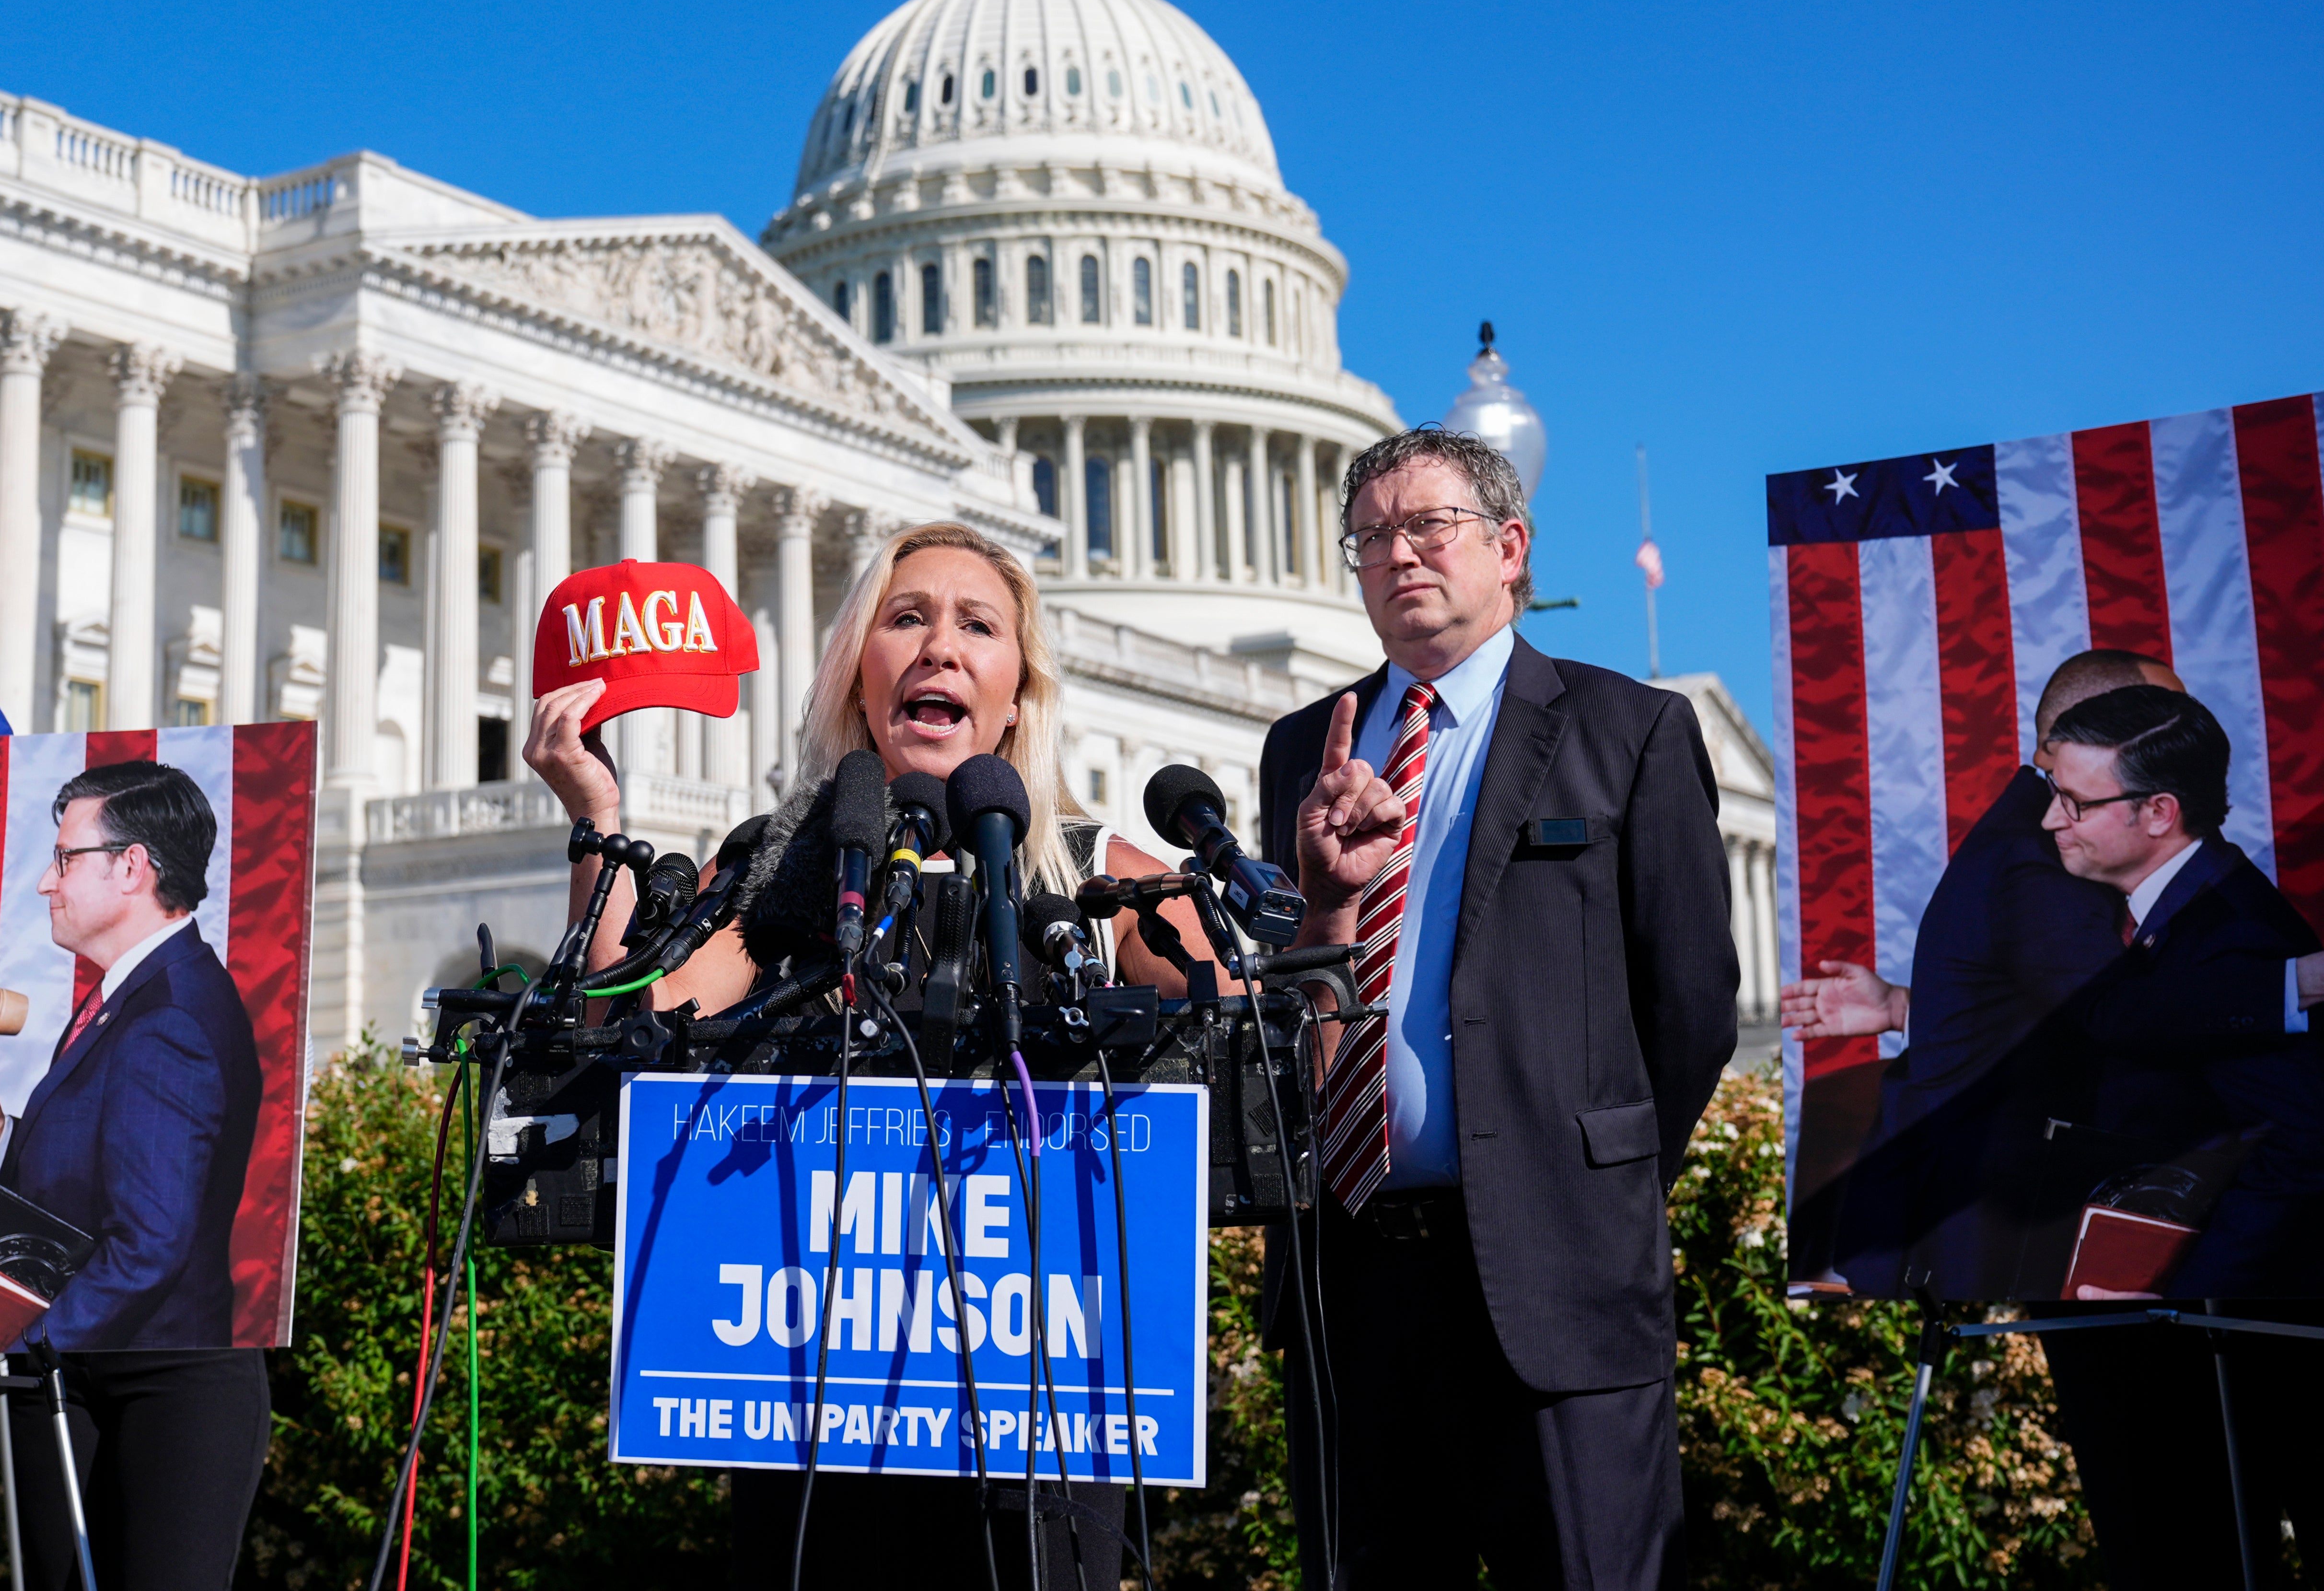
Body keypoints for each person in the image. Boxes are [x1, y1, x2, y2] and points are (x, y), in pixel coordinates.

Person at [523, 518, 1213, 1591]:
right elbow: (627, 1023)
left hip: (1039, 1416)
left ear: (1015, 693)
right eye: (907, 618)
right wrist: (599, 819)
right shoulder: (774, 871)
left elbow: (1254, 1018)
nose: (940, 645)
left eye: (976, 625)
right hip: (811, 1405)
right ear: (860, 675)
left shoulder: (1099, 875)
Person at [1256, 425, 1740, 1591]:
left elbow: (1691, 1007)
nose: (1399, 555)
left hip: (1556, 1279)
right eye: (1371, 536)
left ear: (1510, 547)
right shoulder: (1297, 755)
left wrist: (1580, 1181)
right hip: (1354, 1276)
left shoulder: (1628, 730)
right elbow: (1280, 1001)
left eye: (1430, 526)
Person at [2010, 684, 2324, 1588]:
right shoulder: (2174, 913)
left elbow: (2303, 1145)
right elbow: (2122, 1021)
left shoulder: (2226, 928)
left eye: (2076, 802)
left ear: (2159, 812)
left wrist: (2181, 1296)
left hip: (2210, 1347)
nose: (2053, 820)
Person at [0, 755, 270, 1591]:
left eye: (63, 859)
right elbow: (104, 1182)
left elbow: (151, 1242)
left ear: (132, 868)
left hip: (165, 1390)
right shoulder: (130, 995)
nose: (46, 883)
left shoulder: (173, 1014)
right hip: (85, 1378)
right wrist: (1, 1137)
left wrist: (15, 1337)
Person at [1787, 648, 2177, 1299]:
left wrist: (1913, 1007)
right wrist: (2285, 994)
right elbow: (2130, 1031)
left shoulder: (2035, 834)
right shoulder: (2043, 858)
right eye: (2171, 722)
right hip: (1983, 1248)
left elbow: (2035, 1018)